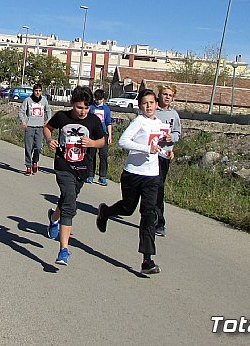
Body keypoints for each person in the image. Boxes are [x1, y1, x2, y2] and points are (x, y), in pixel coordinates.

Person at [95, 89, 167, 274]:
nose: (148, 106)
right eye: (144, 103)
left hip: (152, 175)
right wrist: (146, 149)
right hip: (133, 174)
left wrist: (167, 152)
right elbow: (123, 141)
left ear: (156, 104)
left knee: (148, 214)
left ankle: (147, 260)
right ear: (140, 106)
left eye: (151, 103)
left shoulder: (160, 124)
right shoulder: (139, 122)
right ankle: (105, 212)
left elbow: (158, 147)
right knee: (128, 209)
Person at [43, 86, 105, 266]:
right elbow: (47, 128)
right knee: (70, 202)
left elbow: (102, 141)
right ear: (72, 104)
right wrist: (50, 140)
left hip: (82, 167)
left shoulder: (93, 120)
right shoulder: (62, 117)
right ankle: (64, 250)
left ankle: (54, 218)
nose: (83, 111)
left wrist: (92, 143)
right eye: (79, 107)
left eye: (86, 108)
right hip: (63, 165)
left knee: (67, 197)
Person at [154, 84, 181, 237]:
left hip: (165, 155)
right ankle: (153, 218)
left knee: (159, 187)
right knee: (151, 187)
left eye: (170, 95)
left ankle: (158, 222)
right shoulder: (152, 111)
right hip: (151, 154)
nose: (167, 97)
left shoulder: (174, 115)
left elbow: (177, 132)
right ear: (159, 95)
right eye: (165, 94)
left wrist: (173, 137)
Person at [18, 83, 53, 176]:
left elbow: (48, 110)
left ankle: (35, 162)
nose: (38, 92)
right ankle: (28, 166)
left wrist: (48, 120)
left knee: (38, 147)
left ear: (41, 92)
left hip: (40, 127)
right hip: (29, 126)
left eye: (39, 91)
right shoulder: (28, 100)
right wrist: (23, 121)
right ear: (33, 91)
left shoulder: (44, 100)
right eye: (36, 91)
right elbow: (21, 111)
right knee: (28, 147)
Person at [87, 89, 113, 185]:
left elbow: (108, 123)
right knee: (91, 155)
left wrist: (110, 135)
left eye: (100, 99)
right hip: (92, 134)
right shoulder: (91, 107)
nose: (98, 101)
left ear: (103, 99)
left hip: (103, 134)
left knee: (103, 155)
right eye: (96, 99)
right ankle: (90, 175)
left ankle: (102, 176)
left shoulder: (106, 109)